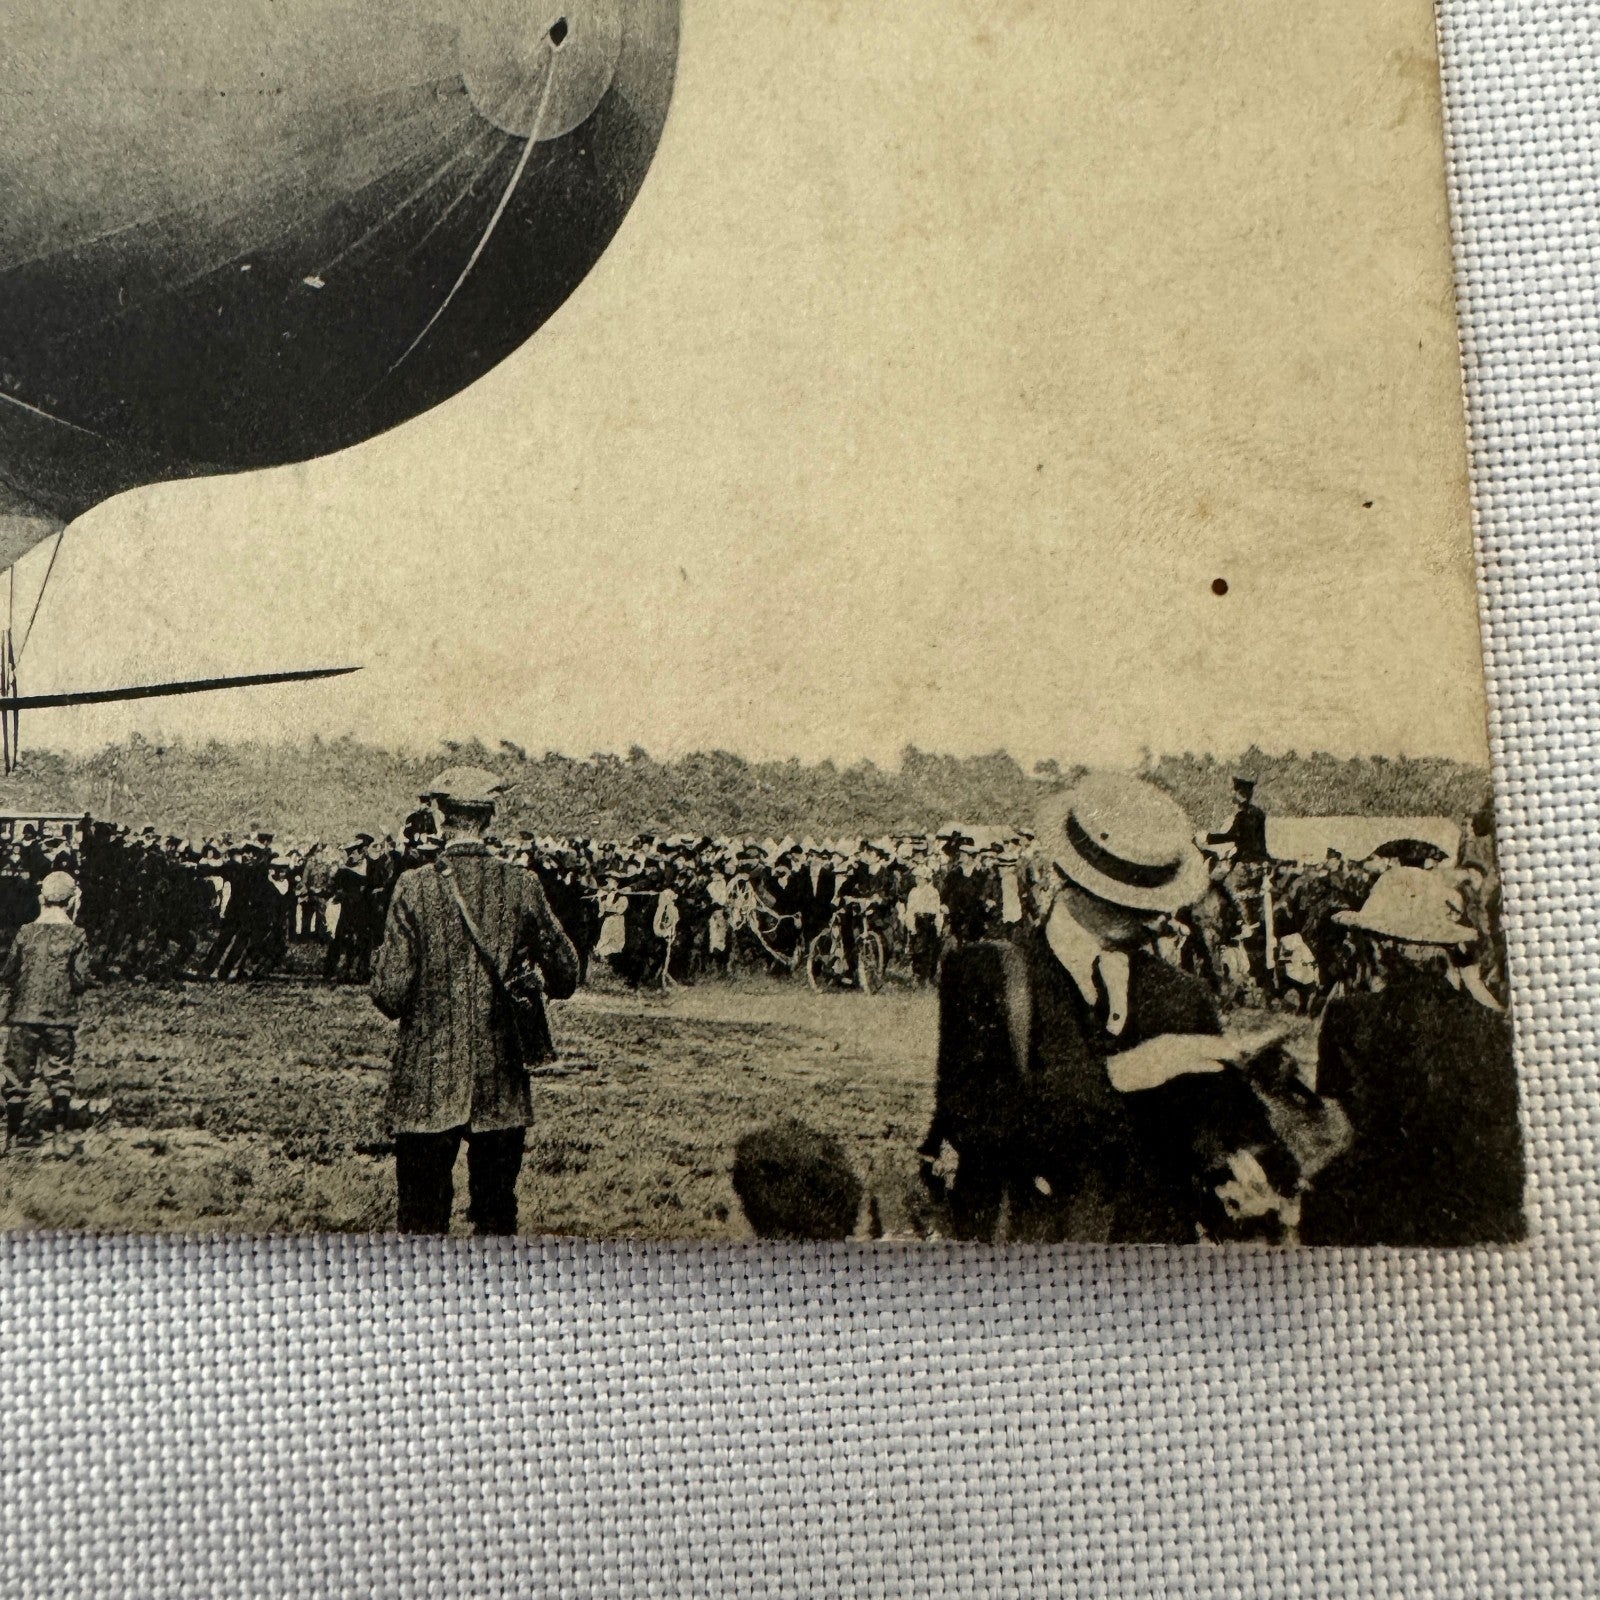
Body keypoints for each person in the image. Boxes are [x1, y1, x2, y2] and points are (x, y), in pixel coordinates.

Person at [923, 771, 1300, 1244]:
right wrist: (1121, 1074)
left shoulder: (1180, 994)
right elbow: (977, 1124)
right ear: (1080, 884)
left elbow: (1221, 1131)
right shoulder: (988, 976)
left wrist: (1249, 1164)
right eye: (1141, 903)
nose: (1164, 918)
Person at [371, 767, 580, 1235]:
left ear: (439, 816)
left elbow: (390, 995)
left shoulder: (414, 886)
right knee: (495, 1217)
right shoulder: (521, 885)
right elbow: (567, 975)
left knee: (421, 1222)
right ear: (489, 819)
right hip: (500, 1079)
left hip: (426, 1081)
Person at [1298, 866, 1525, 1246]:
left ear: (1385, 946)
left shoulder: (1346, 1019)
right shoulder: (1490, 1027)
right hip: (1467, 1205)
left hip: (1378, 1203)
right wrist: (1471, 980)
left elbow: (1338, 1130)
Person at [0, 871, 93, 1154]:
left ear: (41, 898)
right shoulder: (77, 934)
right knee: (60, 1074)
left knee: (16, 1076)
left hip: (23, 1014)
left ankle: (11, 1139)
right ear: (72, 900)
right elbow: (79, 979)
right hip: (60, 1016)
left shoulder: (26, 932)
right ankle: (59, 1138)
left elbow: (8, 972)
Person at [1207, 775, 1269, 864]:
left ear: (1243, 796)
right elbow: (1233, 835)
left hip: (1247, 858)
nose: (1234, 798)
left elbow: (1234, 836)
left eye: (1236, 793)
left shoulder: (1246, 815)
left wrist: (1208, 838)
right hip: (1253, 855)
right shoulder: (1254, 813)